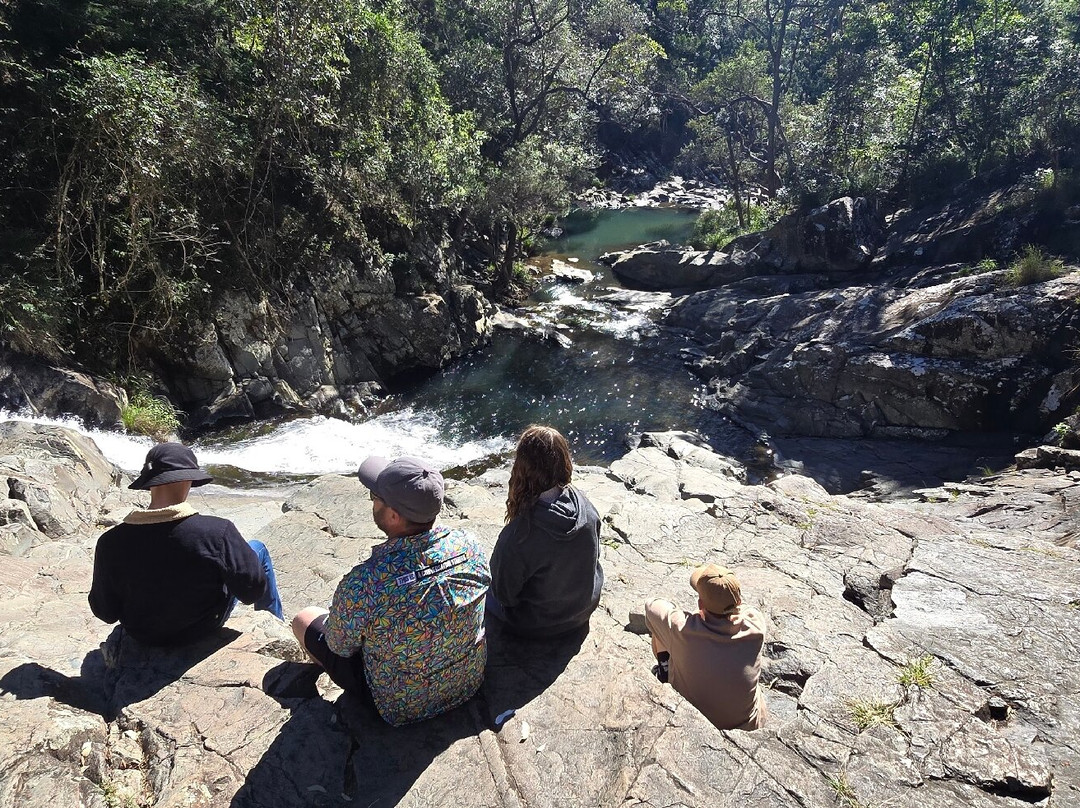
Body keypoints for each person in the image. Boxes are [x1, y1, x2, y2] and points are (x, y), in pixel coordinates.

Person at [291, 455, 490, 726]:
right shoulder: (469, 545)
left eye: (374, 497)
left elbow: (338, 646)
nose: (372, 502)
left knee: (304, 619)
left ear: (394, 515)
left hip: (402, 704)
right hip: (467, 680)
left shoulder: (365, 583)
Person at [88, 442, 284, 646]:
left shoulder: (110, 542)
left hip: (143, 634)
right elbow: (250, 591)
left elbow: (105, 612)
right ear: (189, 480)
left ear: (150, 483)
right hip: (201, 628)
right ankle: (275, 631)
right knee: (256, 548)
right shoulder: (217, 532)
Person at [488, 425, 603, 638]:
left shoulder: (517, 536)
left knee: (485, 588)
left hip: (538, 626)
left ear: (521, 467)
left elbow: (504, 595)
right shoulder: (586, 507)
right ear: (564, 460)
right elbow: (593, 558)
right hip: (582, 612)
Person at [645, 564, 767, 731]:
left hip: (696, 722)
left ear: (700, 603)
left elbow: (651, 605)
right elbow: (743, 610)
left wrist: (694, 614)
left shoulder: (682, 628)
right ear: (738, 601)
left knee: (661, 632)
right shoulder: (756, 624)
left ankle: (664, 672)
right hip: (747, 725)